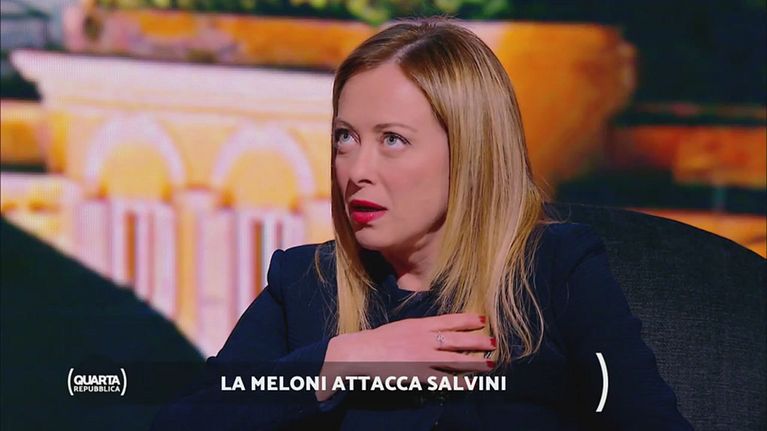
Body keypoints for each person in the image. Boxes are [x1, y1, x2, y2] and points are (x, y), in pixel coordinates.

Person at [152, 17, 694, 430]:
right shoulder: (305, 281)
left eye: (392, 140)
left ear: (470, 152)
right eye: (345, 137)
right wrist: (340, 361)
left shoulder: (555, 270)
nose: (357, 171)